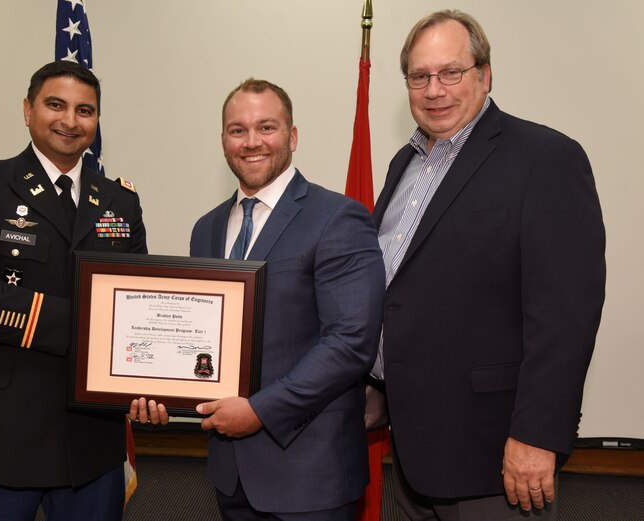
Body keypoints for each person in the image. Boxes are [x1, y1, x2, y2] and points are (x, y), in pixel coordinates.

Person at [369, 9, 606, 521]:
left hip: (496, 456)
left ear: (485, 74)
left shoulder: (545, 158)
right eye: (419, 76)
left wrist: (537, 435)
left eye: (451, 72)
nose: (434, 90)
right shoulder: (402, 164)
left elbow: (566, 316)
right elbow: (395, 287)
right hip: (411, 449)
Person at [0, 60, 167, 521]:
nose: (70, 120)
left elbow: (137, 302)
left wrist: (153, 376)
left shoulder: (120, 200)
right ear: (27, 109)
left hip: (90, 436)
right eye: (55, 105)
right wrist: (84, 321)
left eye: (85, 110)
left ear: (97, 122)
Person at [190, 78, 386, 521]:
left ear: (292, 137)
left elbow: (350, 342)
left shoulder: (338, 217)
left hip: (309, 473)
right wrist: (161, 392)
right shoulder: (206, 228)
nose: (251, 141)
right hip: (230, 472)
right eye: (237, 130)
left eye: (267, 127)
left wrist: (260, 411)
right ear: (223, 140)